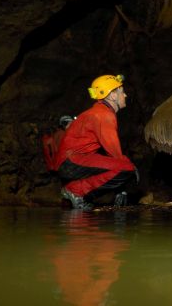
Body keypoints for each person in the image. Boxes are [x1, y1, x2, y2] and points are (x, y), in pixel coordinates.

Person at [56, 74, 137, 210]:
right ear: (112, 96)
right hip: (72, 161)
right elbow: (115, 154)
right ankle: (76, 191)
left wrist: (121, 187)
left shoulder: (98, 112)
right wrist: (125, 182)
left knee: (125, 166)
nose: (125, 95)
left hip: (71, 161)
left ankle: (74, 193)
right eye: (122, 92)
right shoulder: (103, 115)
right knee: (127, 167)